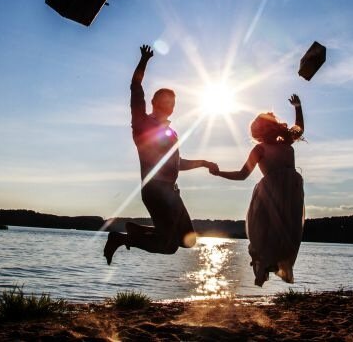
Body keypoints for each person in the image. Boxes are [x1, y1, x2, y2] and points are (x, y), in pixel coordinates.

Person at [103, 44, 217, 265]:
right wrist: (144, 60)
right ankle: (121, 238)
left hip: (172, 192)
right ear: (154, 102)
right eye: (164, 101)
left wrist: (203, 162)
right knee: (169, 246)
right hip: (155, 191)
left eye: (172, 103)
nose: (169, 105)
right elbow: (135, 87)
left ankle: (134, 231)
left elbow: (176, 163)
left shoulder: (171, 133)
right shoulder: (142, 123)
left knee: (188, 241)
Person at [211, 95, 305, 286]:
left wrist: (298, 107)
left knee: (287, 232)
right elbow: (242, 174)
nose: (262, 132)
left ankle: (274, 265)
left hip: (290, 194)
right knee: (265, 231)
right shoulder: (260, 150)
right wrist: (219, 173)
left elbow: (299, 128)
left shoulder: (286, 142)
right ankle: (262, 266)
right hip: (272, 194)